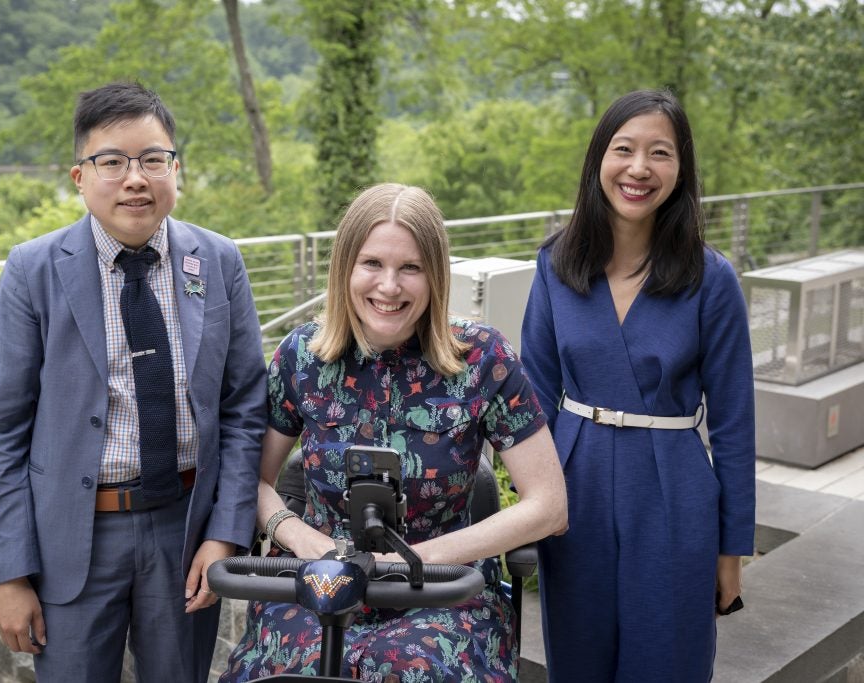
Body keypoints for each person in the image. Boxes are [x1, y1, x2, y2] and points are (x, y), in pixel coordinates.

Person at [0, 81, 267, 682]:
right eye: (112, 161)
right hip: (71, 539)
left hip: (184, 531)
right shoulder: (32, 271)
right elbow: (2, 432)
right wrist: (9, 573)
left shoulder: (217, 260)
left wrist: (227, 533)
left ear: (175, 169)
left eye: (152, 159)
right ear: (80, 176)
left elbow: (243, 406)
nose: (135, 178)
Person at [220, 182, 568, 682]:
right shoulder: (302, 358)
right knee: (288, 671)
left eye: (411, 268)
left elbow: (549, 504)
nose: (389, 287)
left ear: (435, 275)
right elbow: (250, 478)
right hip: (319, 585)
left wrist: (420, 559)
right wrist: (300, 539)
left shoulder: (483, 361)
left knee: (409, 668)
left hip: (442, 593)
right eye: (372, 265)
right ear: (345, 269)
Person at [520, 89, 755, 682]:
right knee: (576, 661)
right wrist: (525, 515)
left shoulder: (712, 279)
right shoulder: (555, 265)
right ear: (599, 158)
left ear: (682, 169)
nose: (639, 168)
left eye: (660, 153)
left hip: (673, 491)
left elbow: (733, 424)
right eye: (624, 149)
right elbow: (533, 407)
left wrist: (733, 553)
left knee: (668, 657)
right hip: (575, 487)